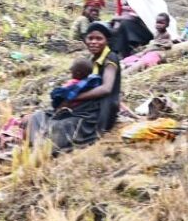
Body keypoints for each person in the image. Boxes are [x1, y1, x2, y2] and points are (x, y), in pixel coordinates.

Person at [27, 23, 123, 153]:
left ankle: (43, 147)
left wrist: (75, 97)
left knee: (59, 127)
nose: (94, 42)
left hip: (98, 113)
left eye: (99, 39)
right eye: (90, 38)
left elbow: (106, 88)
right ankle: (40, 145)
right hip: (86, 107)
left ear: (107, 41)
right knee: (38, 117)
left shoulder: (110, 58)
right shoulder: (92, 59)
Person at [113, 0, 177, 57]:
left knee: (124, 24)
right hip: (133, 29)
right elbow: (119, 11)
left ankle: (128, 52)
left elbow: (137, 17)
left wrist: (119, 18)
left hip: (146, 30)